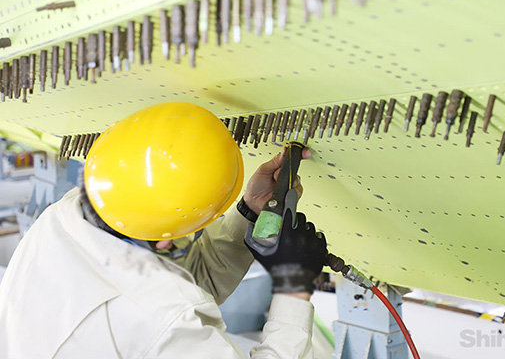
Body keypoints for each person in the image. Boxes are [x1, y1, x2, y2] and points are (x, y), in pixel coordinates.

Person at [0, 102, 328, 358]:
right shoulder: (165, 320)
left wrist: (248, 212)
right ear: (168, 240)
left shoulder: (66, 217)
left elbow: (181, 281)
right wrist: (293, 288)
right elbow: (165, 303)